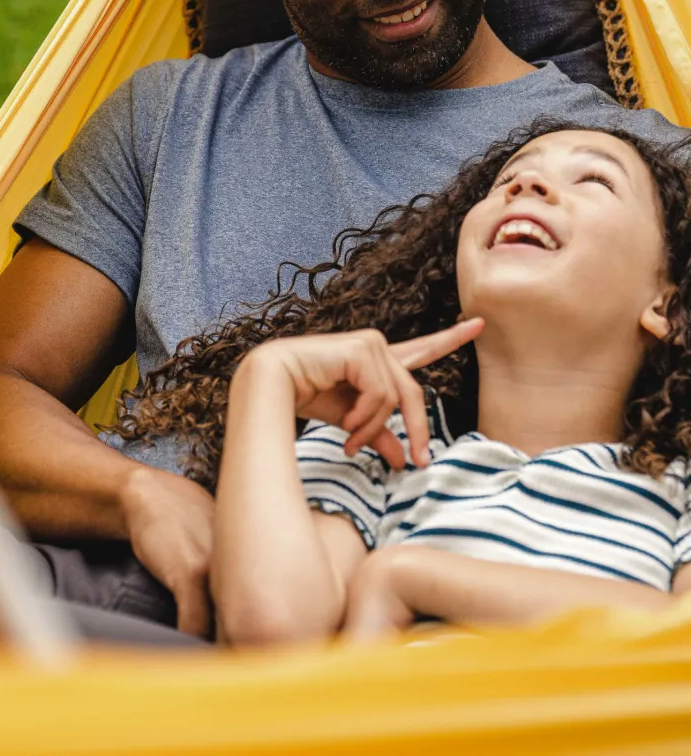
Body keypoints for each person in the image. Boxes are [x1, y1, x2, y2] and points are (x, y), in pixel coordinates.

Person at [0, 0, 683, 639]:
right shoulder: (172, 119)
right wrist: (140, 497)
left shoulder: (639, 176)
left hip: (366, 639)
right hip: (107, 573)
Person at [123, 120, 691, 644]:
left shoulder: (676, 490)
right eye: (508, 179)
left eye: (595, 180)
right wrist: (266, 377)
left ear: (667, 307)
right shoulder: (381, 448)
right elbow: (272, 633)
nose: (529, 185)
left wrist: (408, 578)